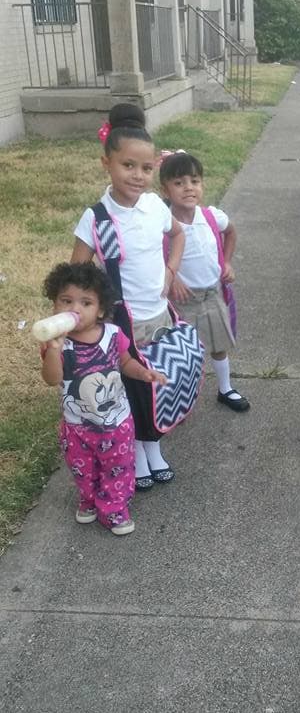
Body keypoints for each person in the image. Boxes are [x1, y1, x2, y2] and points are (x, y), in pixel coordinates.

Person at [71, 103, 185, 490]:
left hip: (159, 315)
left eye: (146, 168)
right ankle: (136, 453)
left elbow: (178, 234)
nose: (138, 176)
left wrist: (170, 270)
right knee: (130, 389)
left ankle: (153, 447)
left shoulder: (154, 206)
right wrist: (81, 319)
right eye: (128, 166)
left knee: (154, 384)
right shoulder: (97, 218)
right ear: (107, 163)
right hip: (123, 322)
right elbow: (77, 277)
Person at [40, 262, 167, 534]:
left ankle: (114, 509)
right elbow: (52, 378)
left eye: (85, 302)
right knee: (83, 471)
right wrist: (53, 350)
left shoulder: (112, 334)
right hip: (77, 426)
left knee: (117, 468)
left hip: (116, 423)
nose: (75, 308)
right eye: (66, 301)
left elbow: (126, 362)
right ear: (54, 304)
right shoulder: (58, 343)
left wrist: (143, 373)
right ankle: (88, 500)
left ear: (100, 309)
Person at [159, 150, 249, 412]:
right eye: (179, 183)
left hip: (212, 294)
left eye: (195, 181)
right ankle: (182, 396)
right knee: (184, 352)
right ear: (165, 190)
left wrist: (227, 262)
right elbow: (152, 255)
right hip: (181, 301)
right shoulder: (162, 224)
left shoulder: (211, 216)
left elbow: (231, 232)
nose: (189, 188)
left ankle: (225, 388)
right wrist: (171, 277)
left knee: (219, 345)